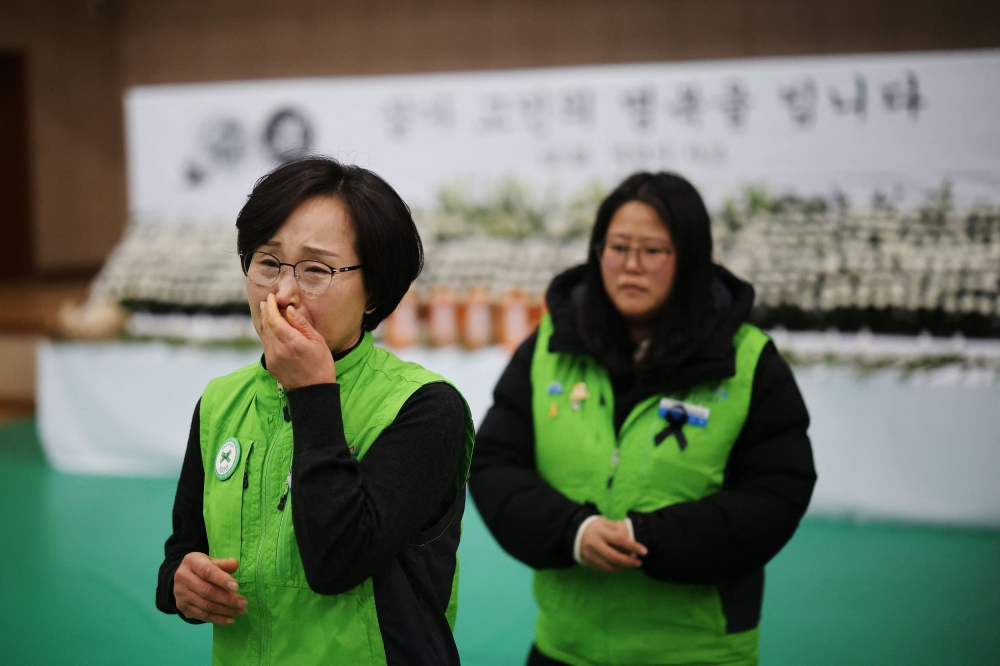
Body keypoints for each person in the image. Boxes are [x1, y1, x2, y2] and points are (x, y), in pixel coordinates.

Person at [469, 172, 816, 666]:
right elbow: (495, 465)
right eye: (617, 247)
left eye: (653, 251)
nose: (631, 266)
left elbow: (775, 495)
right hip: (565, 647)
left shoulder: (748, 362)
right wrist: (575, 530)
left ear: (691, 259)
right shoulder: (550, 346)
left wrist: (647, 538)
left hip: (697, 653)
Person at [155, 157, 475, 665]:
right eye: (267, 263)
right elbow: (185, 544)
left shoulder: (424, 407)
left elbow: (337, 561)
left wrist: (313, 395)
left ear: (374, 291)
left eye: (315, 270)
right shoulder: (221, 400)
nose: (282, 294)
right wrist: (179, 584)